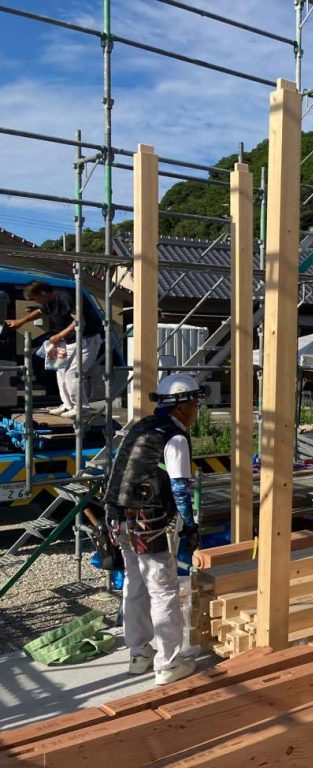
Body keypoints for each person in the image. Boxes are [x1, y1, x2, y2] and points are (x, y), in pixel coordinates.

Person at [104, 374, 205, 685]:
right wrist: (189, 523)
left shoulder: (141, 426)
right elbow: (180, 487)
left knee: (134, 584)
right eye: (195, 402)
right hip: (147, 522)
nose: (198, 408)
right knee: (163, 590)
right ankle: (170, 663)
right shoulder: (174, 437)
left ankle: (139, 653)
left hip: (118, 516)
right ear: (185, 404)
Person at [5, 280, 103, 417]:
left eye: (35, 298)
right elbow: (39, 312)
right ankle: (67, 404)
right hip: (69, 342)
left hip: (86, 340)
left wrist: (60, 335)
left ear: (43, 292)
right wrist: (20, 322)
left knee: (73, 373)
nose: (37, 302)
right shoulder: (48, 303)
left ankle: (81, 408)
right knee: (61, 370)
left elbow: (79, 321)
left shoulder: (64, 297)